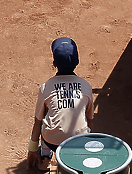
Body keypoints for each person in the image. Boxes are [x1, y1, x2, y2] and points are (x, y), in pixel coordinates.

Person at [28, 37, 94, 170]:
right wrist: (88, 146)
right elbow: (90, 120)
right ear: (78, 62)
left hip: (53, 143)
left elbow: (38, 121)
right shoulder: (86, 86)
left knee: (46, 115)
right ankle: (76, 159)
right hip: (78, 143)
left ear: (54, 64)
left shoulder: (46, 87)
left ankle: (45, 157)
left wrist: (32, 149)